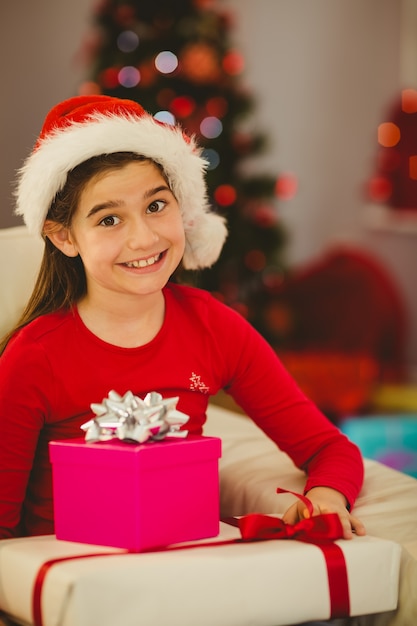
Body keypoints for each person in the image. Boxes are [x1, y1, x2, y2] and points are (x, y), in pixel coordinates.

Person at [0, 95, 366, 541]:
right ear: (64, 237)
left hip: (191, 575)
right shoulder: (33, 357)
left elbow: (330, 448)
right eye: (110, 219)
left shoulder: (214, 328)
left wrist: (326, 498)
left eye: (156, 206)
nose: (144, 238)